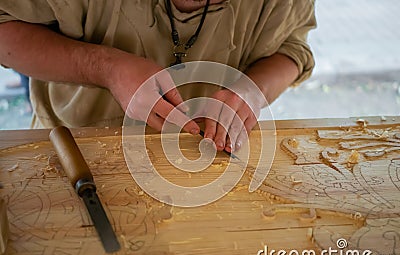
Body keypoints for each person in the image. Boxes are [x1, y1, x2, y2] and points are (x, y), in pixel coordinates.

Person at [0, 0, 316, 153]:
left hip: (205, 155)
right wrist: (105, 67)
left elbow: (292, 47)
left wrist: (253, 89)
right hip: (76, 149)